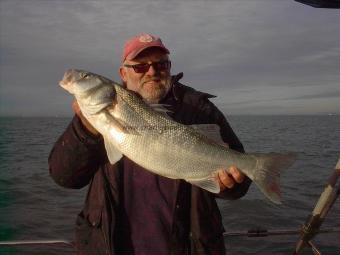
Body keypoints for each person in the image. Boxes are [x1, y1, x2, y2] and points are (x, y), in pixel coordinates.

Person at [49, 33, 252, 255]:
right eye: (140, 67)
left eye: (161, 64)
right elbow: (64, 177)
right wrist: (85, 129)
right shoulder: (95, 115)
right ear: (123, 73)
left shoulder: (201, 110)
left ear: (170, 67)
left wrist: (229, 184)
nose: (152, 72)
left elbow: (240, 181)